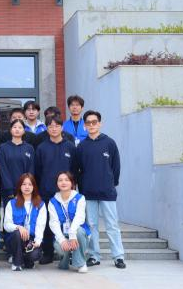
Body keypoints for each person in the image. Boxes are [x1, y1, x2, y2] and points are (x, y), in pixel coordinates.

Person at [75, 110, 126, 269]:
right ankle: (94, 256)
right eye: (88, 123)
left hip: (107, 192)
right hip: (88, 193)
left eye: (94, 122)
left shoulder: (109, 143)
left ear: (100, 123)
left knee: (112, 225)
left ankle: (118, 257)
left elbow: (116, 167)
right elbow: (78, 169)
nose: (91, 125)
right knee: (91, 226)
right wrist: (83, 186)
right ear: (84, 126)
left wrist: (111, 183)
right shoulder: (82, 146)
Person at [35, 114, 77, 263]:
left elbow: (74, 169)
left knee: (68, 221)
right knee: (48, 223)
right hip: (46, 192)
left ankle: (70, 253)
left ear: (62, 127)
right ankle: (48, 253)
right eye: (50, 126)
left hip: (66, 193)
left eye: (57, 126)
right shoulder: (41, 148)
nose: (54, 129)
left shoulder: (70, 147)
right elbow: (37, 171)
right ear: (46, 128)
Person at [48, 171, 90, 274]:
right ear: (57, 183)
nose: (63, 182)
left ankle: (80, 263)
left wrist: (72, 234)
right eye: (60, 180)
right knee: (60, 247)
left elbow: (80, 217)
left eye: (67, 180)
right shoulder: (52, 201)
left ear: (72, 183)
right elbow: (54, 223)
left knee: (79, 232)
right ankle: (64, 262)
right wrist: (62, 240)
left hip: (77, 232)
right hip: (63, 234)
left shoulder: (80, 198)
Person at [3, 173, 46, 271]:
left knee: (34, 255)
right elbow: (6, 225)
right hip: (16, 238)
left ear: (34, 187)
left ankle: (25, 259)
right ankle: (17, 263)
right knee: (17, 233)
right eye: (24, 184)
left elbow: (41, 225)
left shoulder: (40, 204)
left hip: (31, 240)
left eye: (30, 184)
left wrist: (37, 241)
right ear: (19, 186)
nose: (27, 187)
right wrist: (18, 227)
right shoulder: (11, 203)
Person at [0, 119, 35, 205]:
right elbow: (3, 169)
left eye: (20, 127)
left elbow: (31, 169)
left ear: (24, 131)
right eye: (14, 127)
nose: (17, 129)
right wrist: (9, 189)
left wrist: (26, 185)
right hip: (8, 190)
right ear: (10, 130)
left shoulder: (29, 148)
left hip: (25, 189)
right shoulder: (3, 148)